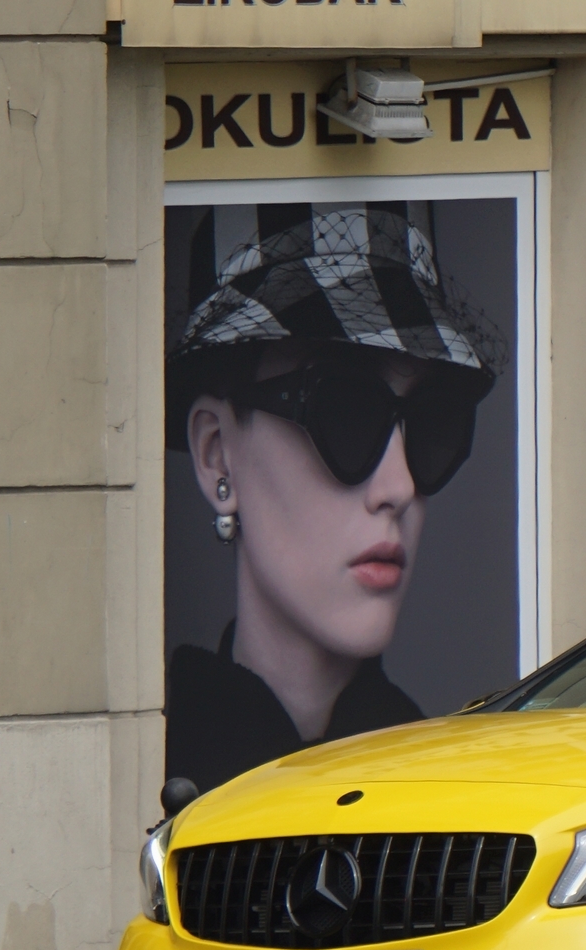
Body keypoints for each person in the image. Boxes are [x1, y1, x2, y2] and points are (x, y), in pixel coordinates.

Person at [165, 207, 499, 792]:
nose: (399, 487)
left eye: (432, 423)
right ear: (217, 453)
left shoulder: (450, 793)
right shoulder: (131, 775)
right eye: (345, 411)